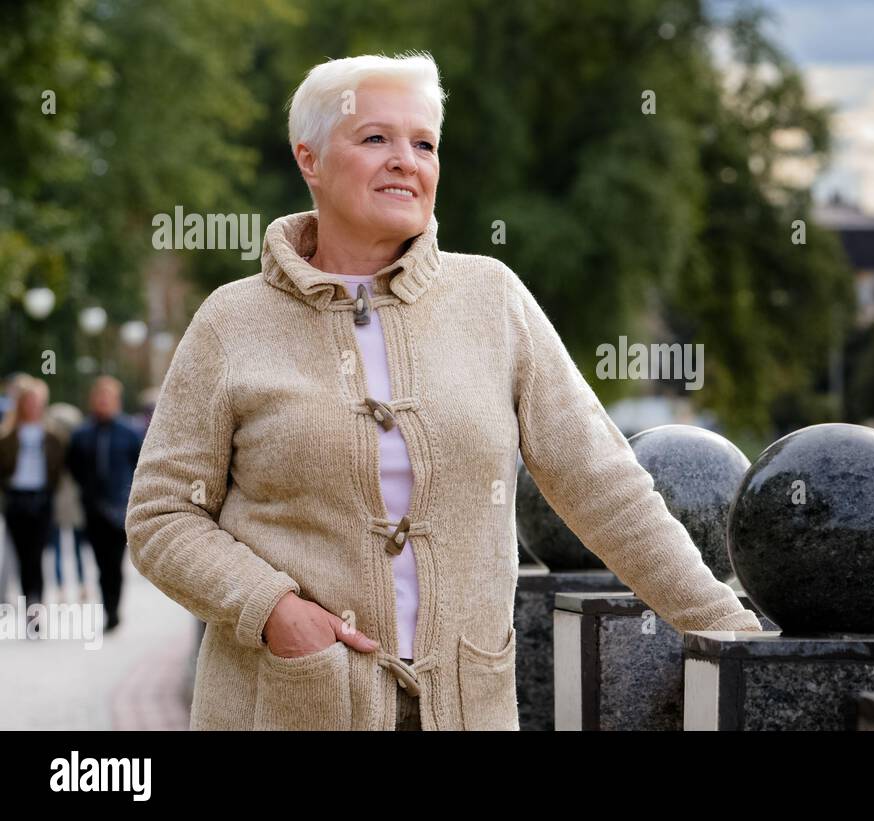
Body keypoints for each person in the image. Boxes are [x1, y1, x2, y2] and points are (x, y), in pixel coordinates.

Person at [125, 52, 762, 732]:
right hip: (288, 705)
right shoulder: (231, 322)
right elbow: (162, 516)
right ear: (308, 159)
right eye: (375, 138)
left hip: (468, 708)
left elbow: (603, 483)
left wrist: (728, 627)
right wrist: (273, 609)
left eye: (423, 143)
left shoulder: (492, 299)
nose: (406, 159)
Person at [67, 376, 142, 632]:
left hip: (119, 509)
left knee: (115, 563)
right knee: (100, 564)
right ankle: (108, 608)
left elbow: (140, 466)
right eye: (99, 398)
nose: (103, 402)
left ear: (116, 401)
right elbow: (74, 466)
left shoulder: (130, 432)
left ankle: (114, 608)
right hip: (93, 509)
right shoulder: (82, 434)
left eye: (107, 398)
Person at [0, 375, 64, 625]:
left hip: (41, 499)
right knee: (21, 554)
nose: (34, 406)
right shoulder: (8, 436)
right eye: (29, 401)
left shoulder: (52, 436)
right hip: (16, 499)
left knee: (36, 555)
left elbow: (58, 469)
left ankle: (35, 606)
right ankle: (29, 600)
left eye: (37, 401)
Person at [45, 402, 90, 603]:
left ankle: (72, 586)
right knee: (70, 545)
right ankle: (73, 585)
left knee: (66, 546)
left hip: (68, 497)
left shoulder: (66, 445)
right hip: (64, 497)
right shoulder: (56, 444)